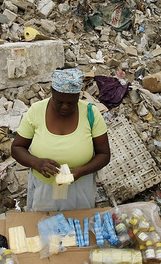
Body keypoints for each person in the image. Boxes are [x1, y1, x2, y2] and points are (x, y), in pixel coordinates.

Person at [11, 68, 111, 212]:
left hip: (80, 189)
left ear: (79, 95)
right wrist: (37, 163)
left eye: (71, 103)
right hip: (44, 190)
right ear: (52, 91)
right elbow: (17, 148)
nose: (65, 107)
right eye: (59, 101)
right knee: (43, 227)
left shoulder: (91, 113)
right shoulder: (36, 111)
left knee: (78, 228)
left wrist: (81, 171)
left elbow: (104, 155)